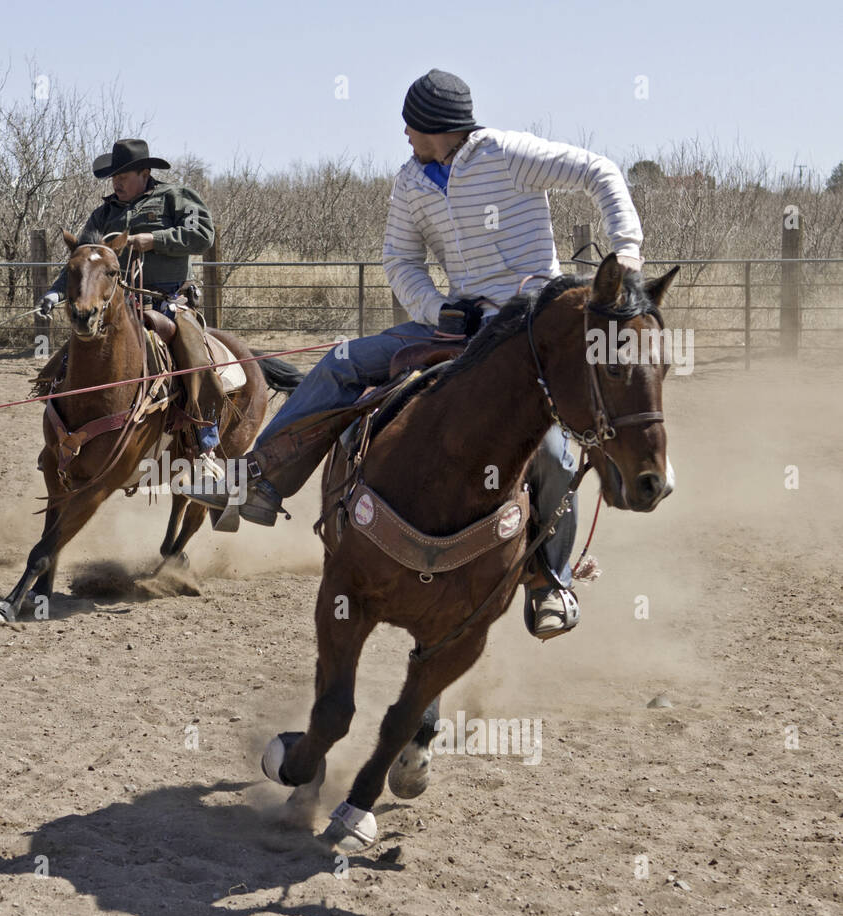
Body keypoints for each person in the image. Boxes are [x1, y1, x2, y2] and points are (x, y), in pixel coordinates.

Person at [185, 70, 646, 639]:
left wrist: (625, 252)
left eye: (410, 122)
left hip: (530, 333)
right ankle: (262, 479)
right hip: (457, 327)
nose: (403, 132)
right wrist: (436, 308)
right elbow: (399, 262)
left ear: (434, 126)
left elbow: (599, 171)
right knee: (343, 361)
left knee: (553, 450)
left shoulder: (507, 153)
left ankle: (551, 581)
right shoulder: (411, 182)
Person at [38, 139, 223, 468]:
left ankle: (204, 443)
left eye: (124, 175)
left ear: (145, 172)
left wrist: (154, 240)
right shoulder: (105, 213)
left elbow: (203, 235)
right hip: (117, 303)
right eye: (114, 177)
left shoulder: (174, 198)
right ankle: (61, 434)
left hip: (168, 298)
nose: (117, 182)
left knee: (193, 354)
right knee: (68, 359)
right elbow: (84, 260)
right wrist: (58, 291)